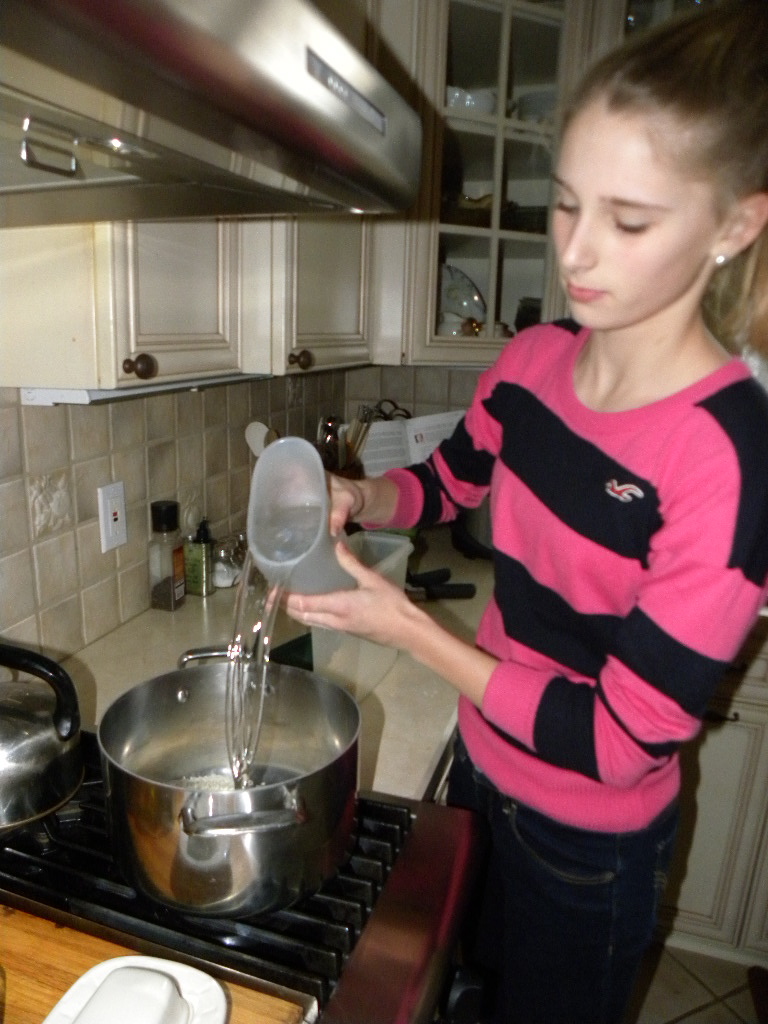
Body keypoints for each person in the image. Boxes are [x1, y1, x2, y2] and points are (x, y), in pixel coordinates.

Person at [285, 2, 768, 1021]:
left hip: (588, 846)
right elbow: (446, 481)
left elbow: (619, 738)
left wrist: (407, 627)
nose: (577, 253)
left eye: (629, 221)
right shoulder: (537, 360)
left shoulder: (728, 456)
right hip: (480, 785)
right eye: (563, 204)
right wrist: (359, 495)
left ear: (735, 224)